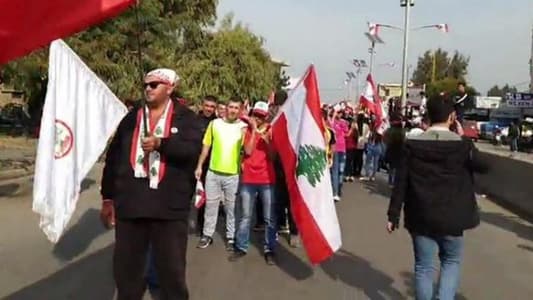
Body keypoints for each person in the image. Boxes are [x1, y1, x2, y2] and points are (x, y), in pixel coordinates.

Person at [100, 68, 202, 300]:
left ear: (170, 88)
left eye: (155, 84)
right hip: (131, 205)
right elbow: (113, 158)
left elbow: (191, 151)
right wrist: (108, 197)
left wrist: (161, 144)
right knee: (127, 274)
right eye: (146, 84)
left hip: (169, 209)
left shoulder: (187, 118)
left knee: (172, 274)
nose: (148, 88)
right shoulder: (130, 118)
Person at [387, 94, 489, 300]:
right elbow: (484, 166)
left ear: (428, 116)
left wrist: (393, 215)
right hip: (453, 218)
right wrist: (464, 138)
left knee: (424, 267)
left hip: (421, 216)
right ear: (452, 117)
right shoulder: (462, 146)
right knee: (451, 263)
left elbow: (401, 182)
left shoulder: (412, 145)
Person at [195, 97, 247, 250]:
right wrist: (199, 166)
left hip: (232, 175)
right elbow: (206, 146)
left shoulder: (243, 128)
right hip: (213, 172)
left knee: (231, 209)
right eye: (231, 107)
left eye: (236, 108)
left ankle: (231, 237)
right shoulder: (215, 124)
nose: (232, 110)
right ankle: (207, 235)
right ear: (225, 108)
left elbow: (247, 151)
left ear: (240, 110)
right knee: (210, 206)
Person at [230, 101, 277, 265]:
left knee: (269, 217)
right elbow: (248, 151)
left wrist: (267, 142)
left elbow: (272, 156)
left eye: (260, 116)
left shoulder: (271, 130)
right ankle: (241, 246)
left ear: (266, 117)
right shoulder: (248, 130)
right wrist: (254, 130)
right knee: (245, 216)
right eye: (255, 115)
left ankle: (269, 249)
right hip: (249, 179)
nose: (257, 118)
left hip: (267, 179)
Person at [195, 95, 218, 235]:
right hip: (192, 161)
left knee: (205, 195)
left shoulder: (217, 123)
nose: (209, 109)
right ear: (202, 105)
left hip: (209, 163)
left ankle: (201, 225)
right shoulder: (193, 120)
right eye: (207, 105)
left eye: (212, 106)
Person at [330, 105, 349, 201]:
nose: (338, 114)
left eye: (340, 112)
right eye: (337, 112)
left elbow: (347, 132)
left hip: (341, 149)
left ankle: (337, 191)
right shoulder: (333, 121)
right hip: (336, 149)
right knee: (336, 171)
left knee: (339, 171)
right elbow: (331, 128)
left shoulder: (342, 122)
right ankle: (336, 191)